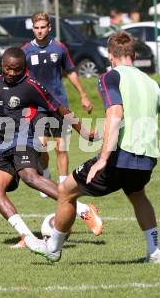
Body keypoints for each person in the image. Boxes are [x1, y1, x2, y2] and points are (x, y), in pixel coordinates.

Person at [24, 31, 160, 263]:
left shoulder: (110, 77)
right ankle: (154, 252)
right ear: (134, 55)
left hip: (118, 156)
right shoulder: (152, 83)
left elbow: (115, 114)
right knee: (137, 194)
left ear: (111, 56)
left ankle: (53, 247)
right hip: (147, 159)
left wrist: (103, 159)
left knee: (65, 191)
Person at [0, 47, 102, 249]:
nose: (12, 74)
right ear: (2, 65)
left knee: (29, 176)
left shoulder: (32, 86)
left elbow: (59, 109)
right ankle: (28, 237)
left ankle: (83, 209)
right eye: (8, 69)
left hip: (26, 139)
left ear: (24, 68)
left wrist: (83, 132)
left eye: (17, 70)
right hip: (4, 146)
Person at [21, 12, 93, 198]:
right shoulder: (26, 51)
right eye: (36, 28)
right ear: (32, 28)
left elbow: (71, 72)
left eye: (43, 27)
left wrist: (83, 95)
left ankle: (62, 184)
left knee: (61, 147)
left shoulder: (59, 49)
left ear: (49, 28)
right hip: (37, 107)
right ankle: (45, 174)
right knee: (42, 145)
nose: (40, 31)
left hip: (59, 105)